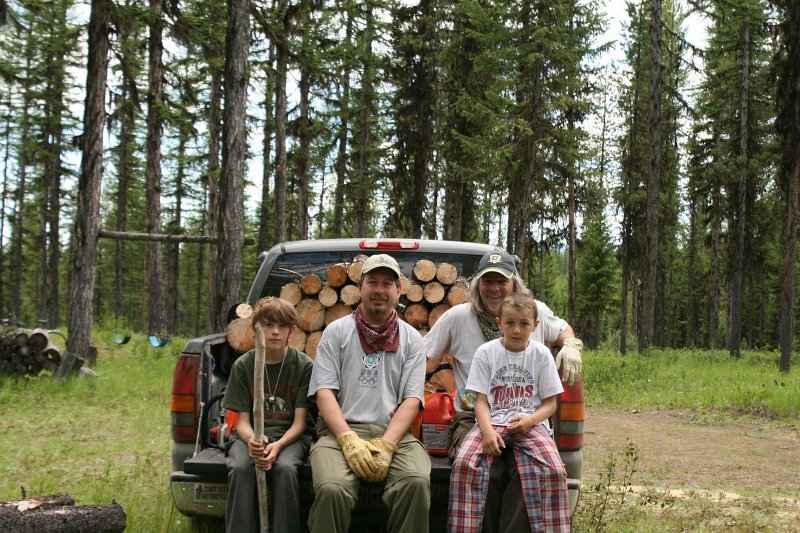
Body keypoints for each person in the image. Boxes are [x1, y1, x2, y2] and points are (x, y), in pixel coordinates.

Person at [424, 247, 582, 531]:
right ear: (477, 285)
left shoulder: (535, 311)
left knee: (527, 473)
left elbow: (563, 330)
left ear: (514, 284)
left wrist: (571, 345)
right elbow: (423, 359)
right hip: (474, 416)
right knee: (487, 469)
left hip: (527, 419)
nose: (494, 288)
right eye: (487, 281)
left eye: (502, 281)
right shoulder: (457, 317)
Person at [306, 253, 431, 533]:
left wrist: (387, 445)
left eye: (387, 284)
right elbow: (324, 391)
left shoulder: (411, 339)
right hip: (339, 432)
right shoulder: (336, 332)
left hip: (395, 435)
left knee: (415, 482)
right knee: (332, 489)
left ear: (398, 291)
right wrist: (347, 438)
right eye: (372, 281)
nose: (379, 289)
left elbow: (412, 400)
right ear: (360, 287)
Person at [449, 293, 569, 532]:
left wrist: (531, 420)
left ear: (535, 326)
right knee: (465, 464)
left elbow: (550, 404)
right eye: (510, 323)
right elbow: (480, 401)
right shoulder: (486, 352)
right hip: (491, 421)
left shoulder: (541, 354)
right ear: (499, 323)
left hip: (531, 424)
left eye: (524, 324)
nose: (516, 330)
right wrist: (486, 432)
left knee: (554, 470)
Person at [222, 297, 314, 533]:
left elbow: (300, 423)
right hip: (249, 437)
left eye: (282, 326)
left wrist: (278, 445)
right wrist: (253, 441)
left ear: (291, 330)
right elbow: (241, 422)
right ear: (256, 329)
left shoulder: (304, 366)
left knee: (284, 469)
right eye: (268, 325)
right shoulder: (243, 365)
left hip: (289, 437)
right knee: (242, 468)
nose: (274, 332)